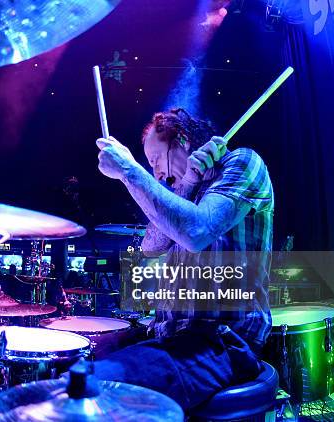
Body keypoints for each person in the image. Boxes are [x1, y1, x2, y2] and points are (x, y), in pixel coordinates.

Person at [93, 107, 274, 410]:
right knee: (85, 359)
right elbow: (151, 246)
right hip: (173, 335)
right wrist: (187, 183)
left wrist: (129, 170)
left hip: (223, 341)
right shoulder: (185, 188)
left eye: (155, 160)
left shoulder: (243, 162)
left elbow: (197, 231)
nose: (157, 174)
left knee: (100, 386)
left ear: (183, 140)